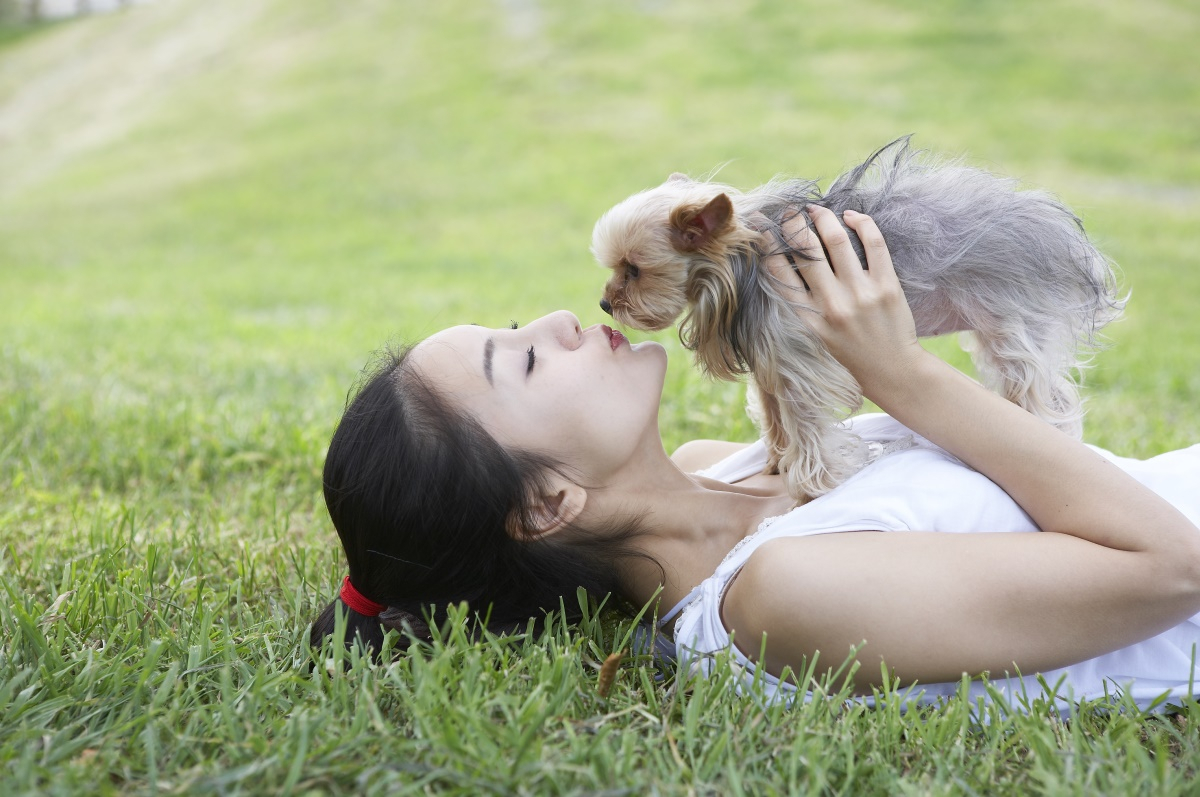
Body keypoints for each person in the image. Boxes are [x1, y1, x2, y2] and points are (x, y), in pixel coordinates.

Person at [311, 206, 1200, 711]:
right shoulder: (777, 596)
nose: (557, 319)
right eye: (526, 360)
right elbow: (1173, 567)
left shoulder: (727, 465)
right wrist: (899, 374)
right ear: (547, 503)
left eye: (513, 330)